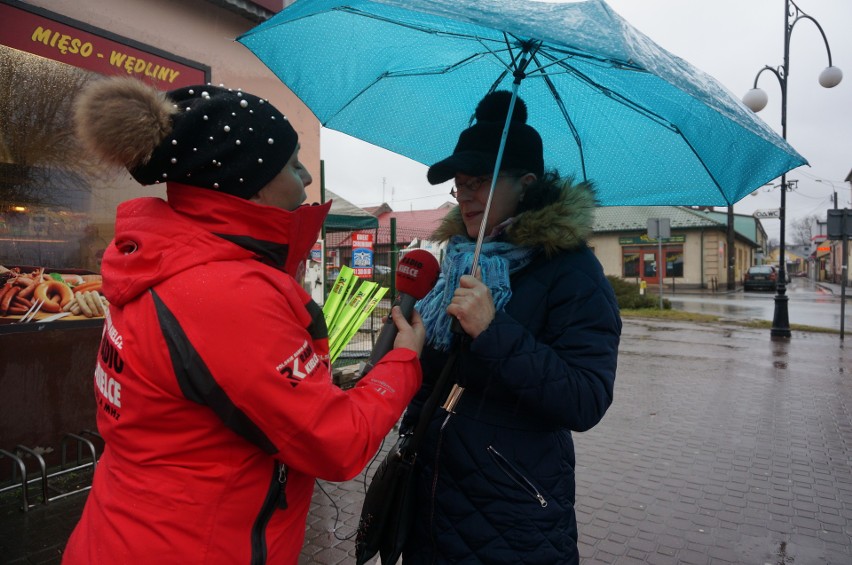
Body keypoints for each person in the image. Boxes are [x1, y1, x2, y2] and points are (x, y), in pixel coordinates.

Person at [62, 77, 425, 564]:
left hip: (129, 532)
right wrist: (402, 361)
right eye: (293, 165)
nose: (307, 178)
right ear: (250, 186)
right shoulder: (226, 295)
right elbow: (336, 444)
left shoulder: (167, 261)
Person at [401, 91, 621, 564]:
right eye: (460, 184)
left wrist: (494, 330)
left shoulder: (571, 271)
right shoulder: (459, 259)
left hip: (513, 516)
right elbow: (440, 382)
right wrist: (407, 351)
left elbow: (585, 398)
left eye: (480, 180)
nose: (467, 195)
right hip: (431, 502)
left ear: (525, 184)